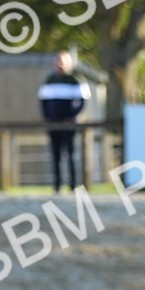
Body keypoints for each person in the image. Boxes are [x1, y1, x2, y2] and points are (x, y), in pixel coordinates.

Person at [38, 50, 90, 192]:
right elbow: (43, 101)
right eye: (58, 61)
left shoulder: (76, 79)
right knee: (55, 155)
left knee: (71, 154)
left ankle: (73, 185)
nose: (60, 64)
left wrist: (72, 116)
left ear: (69, 63)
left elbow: (83, 101)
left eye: (63, 61)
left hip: (68, 124)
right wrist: (47, 117)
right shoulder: (49, 80)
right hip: (53, 124)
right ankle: (57, 186)